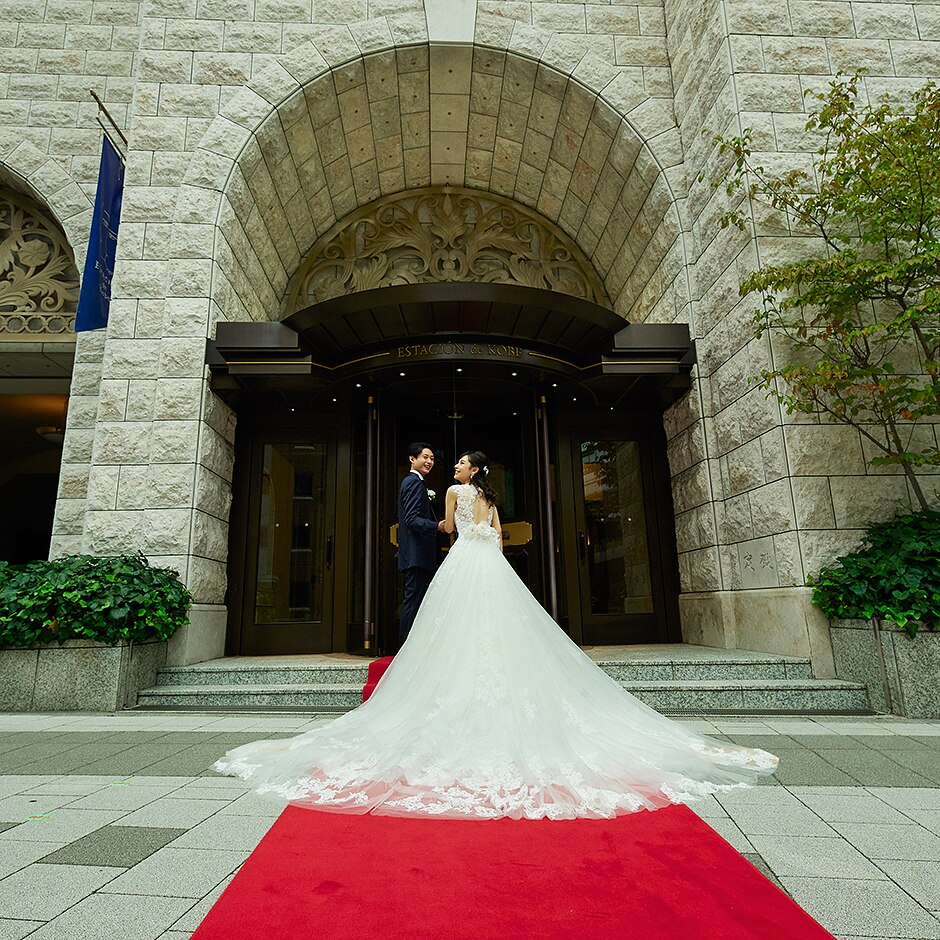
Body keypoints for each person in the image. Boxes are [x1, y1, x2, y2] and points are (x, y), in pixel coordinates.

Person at [214, 450, 778, 820]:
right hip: (493, 571)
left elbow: (449, 532)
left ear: (467, 472)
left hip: (462, 565)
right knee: (503, 635)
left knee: (448, 633)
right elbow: (500, 544)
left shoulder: (457, 496)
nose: (452, 468)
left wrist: (447, 530)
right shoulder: (493, 500)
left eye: (458, 463)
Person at [395, 442, 442, 653]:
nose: (429, 461)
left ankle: (412, 650)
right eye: (425, 457)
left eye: (432, 458)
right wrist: (437, 525)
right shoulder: (413, 483)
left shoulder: (416, 483)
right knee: (413, 602)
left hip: (417, 554)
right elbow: (412, 519)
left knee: (417, 602)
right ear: (412, 459)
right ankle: (406, 651)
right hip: (416, 554)